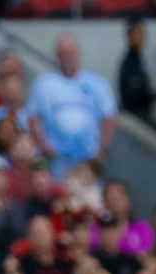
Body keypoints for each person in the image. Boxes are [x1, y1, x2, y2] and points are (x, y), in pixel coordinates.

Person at [27, 34, 118, 177]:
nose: (67, 56)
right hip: (57, 160)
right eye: (63, 52)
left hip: (88, 159)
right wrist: (44, 147)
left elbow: (109, 119)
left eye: (71, 51)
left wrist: (100, 150)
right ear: (57, 56)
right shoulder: (43, 84)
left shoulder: (97, 83)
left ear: (78, 53)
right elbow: (33, 118)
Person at [118, 16, 156, 125]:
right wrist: (155, 95)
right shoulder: (130, 63)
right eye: (139, 33)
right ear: (130, 36)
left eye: (143, 33)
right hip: (135, 119)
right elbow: (134, 94)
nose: (142, 36)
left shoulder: (138, 60)